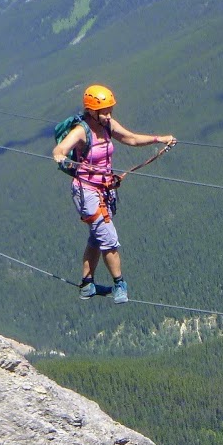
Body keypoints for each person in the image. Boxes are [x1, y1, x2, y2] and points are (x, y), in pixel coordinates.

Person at [50, 84, 174, 305]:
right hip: (87, 191)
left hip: (104, 189)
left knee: (96, 237)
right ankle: (120, 284)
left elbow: (131, 139)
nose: (108, 115)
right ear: (91, 111)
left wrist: (159, 139)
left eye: (110, 110)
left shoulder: (107, 124)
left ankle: (87, 285)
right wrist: (61, 156)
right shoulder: (81, 131)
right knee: (109, 239)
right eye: (104, 111)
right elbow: (60, 150)